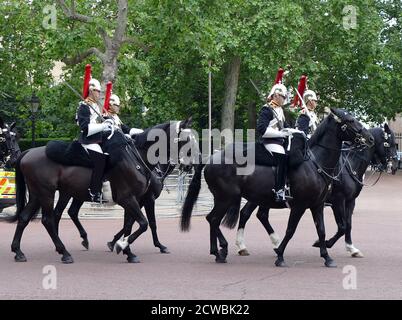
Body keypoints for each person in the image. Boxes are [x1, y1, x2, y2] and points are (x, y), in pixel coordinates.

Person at [76, 78, 113, 203]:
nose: (99, 94)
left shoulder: (95, 106)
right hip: (88, 141)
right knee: (101, 161)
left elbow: (97, 121)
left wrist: (107, 120)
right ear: (91, 91)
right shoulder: (84, 106)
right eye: (98, 91)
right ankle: (94, 191)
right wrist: (103, 125)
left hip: (98, 140)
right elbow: (85, 128)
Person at [256, 82, 292, 202]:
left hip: (279, 142)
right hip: (269, 142)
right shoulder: (267, 109)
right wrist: (280, 134)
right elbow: (261, 129)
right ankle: (279, 190)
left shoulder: (280, 111)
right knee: (282, 159)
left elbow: (285, 127)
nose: (284, 99)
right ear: (276, 95)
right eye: (283, 97)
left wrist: (295, 132)